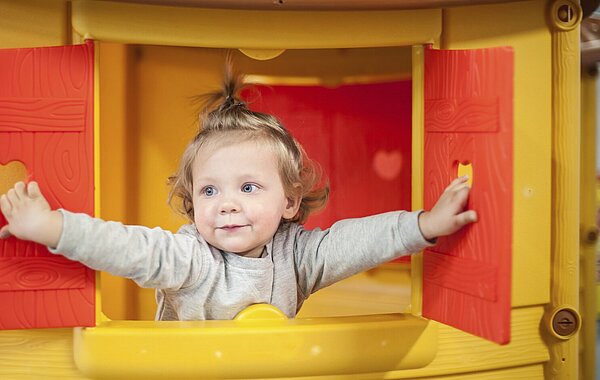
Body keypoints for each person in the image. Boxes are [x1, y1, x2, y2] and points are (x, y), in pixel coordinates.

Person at [0, 66, 477, 321]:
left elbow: (357, 241)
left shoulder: (300, 257)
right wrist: (51, 228)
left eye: (248, 187)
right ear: (193, 203)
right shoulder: (189, 257)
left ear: (289, 202)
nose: (227, 203)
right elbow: (125, 248)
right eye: (209, 190)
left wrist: (425, 226)